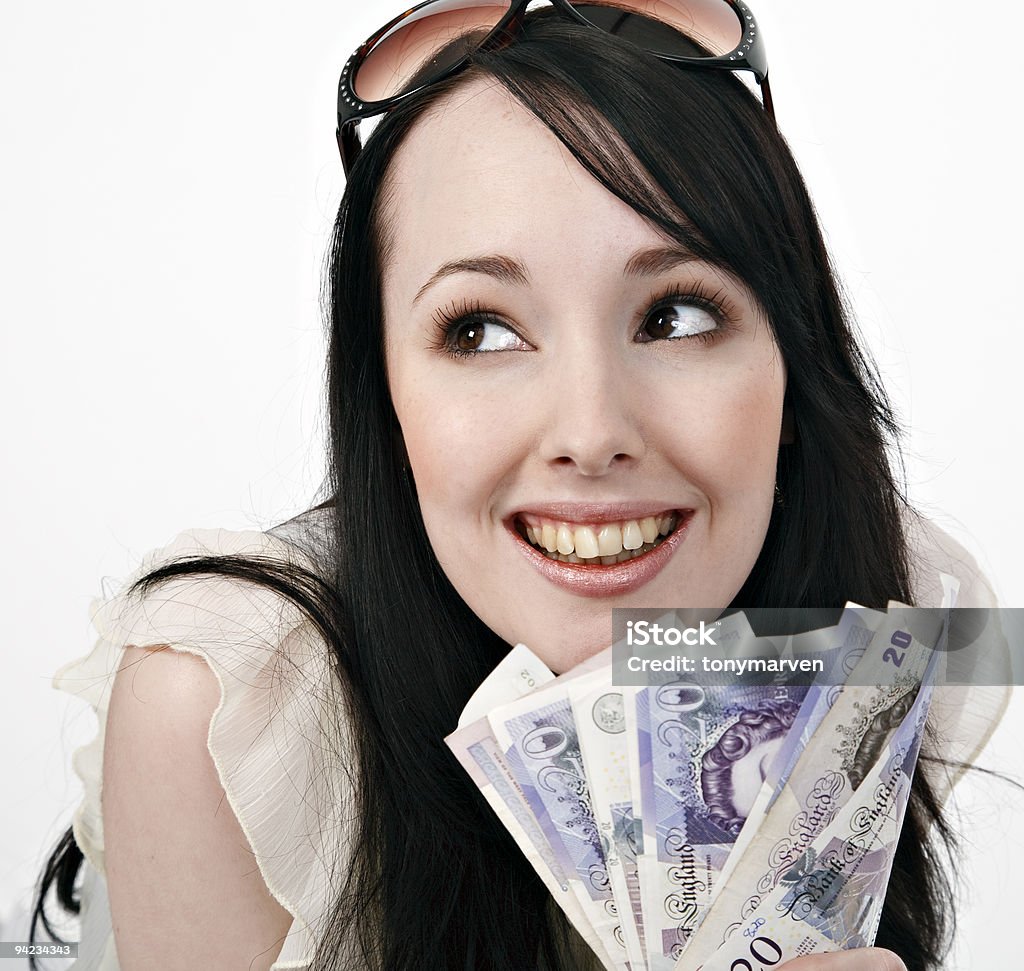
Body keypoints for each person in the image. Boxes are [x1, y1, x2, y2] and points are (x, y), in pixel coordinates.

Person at [31, 3, 1008, 970]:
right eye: (480, 329)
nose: (590, 433)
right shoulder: (232, 699)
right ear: (385, 391)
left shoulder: (884, 619)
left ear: (790, 360)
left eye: (673, 315)